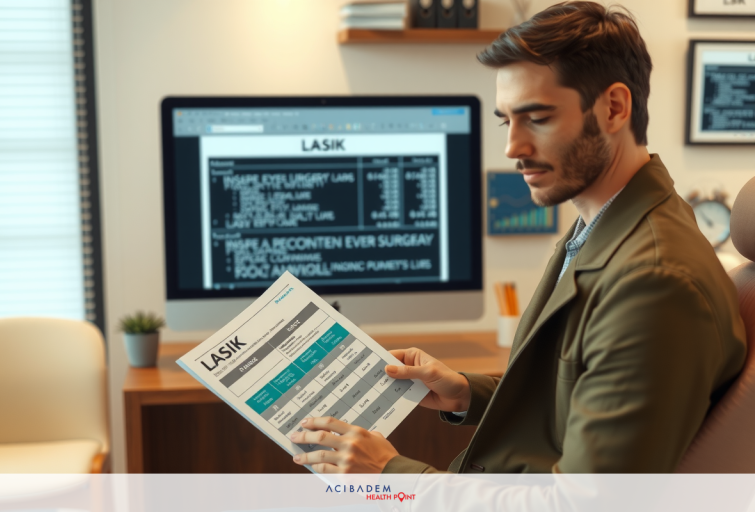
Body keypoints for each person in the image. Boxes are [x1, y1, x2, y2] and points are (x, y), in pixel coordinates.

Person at [289, 1, 747, 474]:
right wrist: (466, 392)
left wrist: (389, 474)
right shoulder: (606, 225)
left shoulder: (653, 282)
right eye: (507, 121)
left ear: (614, 107)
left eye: (538, 118)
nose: (513, 148)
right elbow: (571, 403)